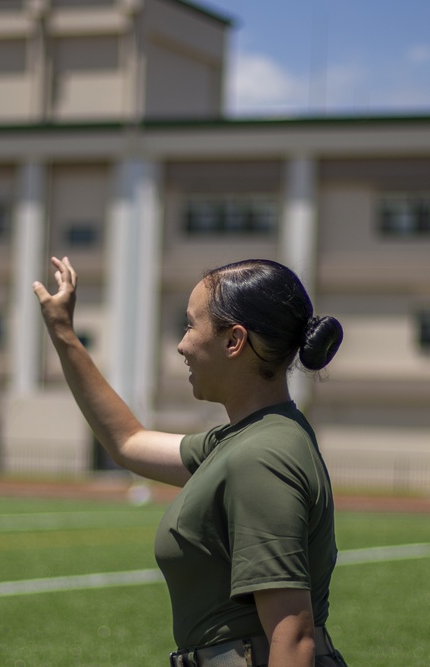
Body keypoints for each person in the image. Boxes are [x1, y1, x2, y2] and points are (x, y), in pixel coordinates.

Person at [34, 256, 349, 667]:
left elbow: (293, 638)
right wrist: (63, 332)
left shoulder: (261, 456)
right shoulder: (245, 440)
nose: (181, 344)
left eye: (189, 324)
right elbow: (128, 442)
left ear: (234, 341)